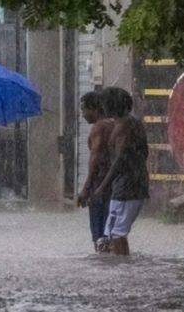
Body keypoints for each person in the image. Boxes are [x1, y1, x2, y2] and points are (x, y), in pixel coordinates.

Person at [93, 87, 149, 256]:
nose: (101, 107)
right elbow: (143, 153)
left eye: (103, 103)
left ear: (110, 105)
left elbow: (119, 160)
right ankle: (123, 270)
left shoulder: (124, 126)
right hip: (131, 184)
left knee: (117, 233)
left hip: (127, 187)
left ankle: (123, 271)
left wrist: (102, 186)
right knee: (115, 233)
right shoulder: (132, 123)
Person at [76, 91, 115, 252]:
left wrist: (86, 188)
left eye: (84, 109)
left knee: (99, 237)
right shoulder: (114, 124)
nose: (83, 115)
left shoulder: (99, 128)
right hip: (114, 185)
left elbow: (96, 159)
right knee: (111, 235)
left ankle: (102, 267)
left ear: (95, 109)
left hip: (100, 186)